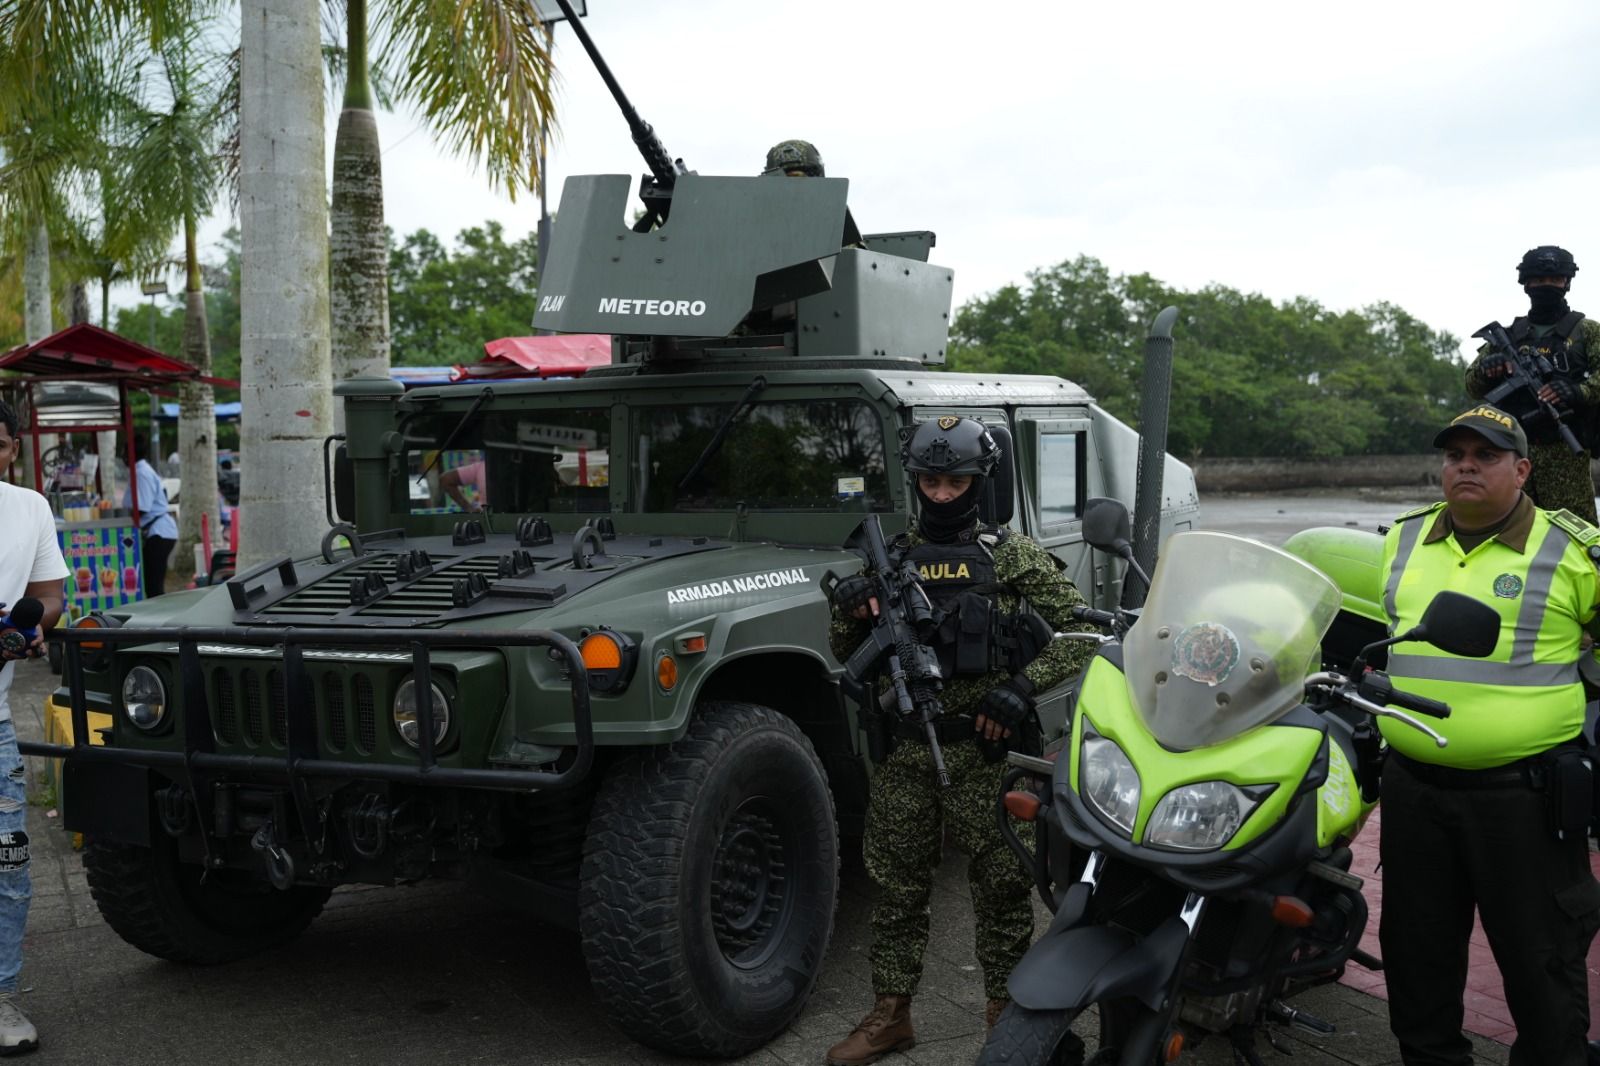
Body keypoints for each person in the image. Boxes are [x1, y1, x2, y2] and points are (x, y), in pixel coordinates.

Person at [822, 416, 1096, 1064]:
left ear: (978, 483)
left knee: (1001, 890)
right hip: (909, 750)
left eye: (955, 482)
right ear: (916, 482)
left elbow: (1080, 635)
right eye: (930, 481)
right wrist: (849, 606)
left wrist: (1023, 688)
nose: (942, 494)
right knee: (897, 890)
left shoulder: (1011, 553)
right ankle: (891, 1014)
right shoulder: (889, 556)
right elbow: (847, 653)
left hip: (986, 752)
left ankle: (1005, 1018)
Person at [1377, 404, 1600, 1066]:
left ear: (1523, 469)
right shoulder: (1401, 540)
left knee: (1542, 964)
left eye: (1486, 455)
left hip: (1525, 801)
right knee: (1416, 957)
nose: (1466, 466)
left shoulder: (1576, 551)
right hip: (1414, 791)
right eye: (1455, 456)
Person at [0, 398, 67, 1056]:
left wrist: (25, 630)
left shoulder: (29, 508)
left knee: (8, 861)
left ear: (11, 448)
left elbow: (50, 595)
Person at [1464, 245, 1600, 524]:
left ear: (1566, 283)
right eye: (1538, 281)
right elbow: (1472, 385)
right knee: (1509, 528)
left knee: (1574, 530)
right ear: (1526, 284)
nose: (1545, 286)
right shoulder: (1510, 336)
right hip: (1512, 452)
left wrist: (1578, 391)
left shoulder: (1586, 331)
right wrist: (1489, 370)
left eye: (1554, 280)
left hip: (1565, 448)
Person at [122, 436, 177, 598]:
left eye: (124, 452)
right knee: (151, 584)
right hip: (157, 532)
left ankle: (160, 620)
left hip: (159, 533)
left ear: (129, 453)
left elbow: (142, 508)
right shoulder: (139, 471)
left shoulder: (142, 474)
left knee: (154, 586)